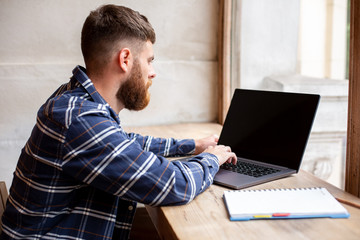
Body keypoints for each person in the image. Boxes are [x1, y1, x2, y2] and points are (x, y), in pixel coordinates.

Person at [0, 4, 236, 240]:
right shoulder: (77, 119)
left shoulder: (75, 99)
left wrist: (192, 146)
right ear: (125, 59)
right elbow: (174, 185)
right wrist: (213, 158)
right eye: (149, 61)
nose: (153, 72)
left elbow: (122, 143)